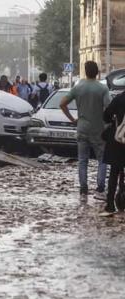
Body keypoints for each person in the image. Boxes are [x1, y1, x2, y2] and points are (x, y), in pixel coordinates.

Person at [60, 61, 110, 201]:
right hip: (98, 129)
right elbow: (109, 107)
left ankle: (83, 192)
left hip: (81, 127)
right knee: (102, 160)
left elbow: (62, 103)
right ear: (97, 72)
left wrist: (72, 119)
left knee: (82, 160)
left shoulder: (78, 87)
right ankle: (100, 190)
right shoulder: (102, 88)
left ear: (85, 71)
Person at [100, 90, 125, 215]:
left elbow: (106, 116)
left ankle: (110, 205)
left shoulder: (119, 99)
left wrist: (116, 119)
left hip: (118, 140)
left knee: (114, 172)